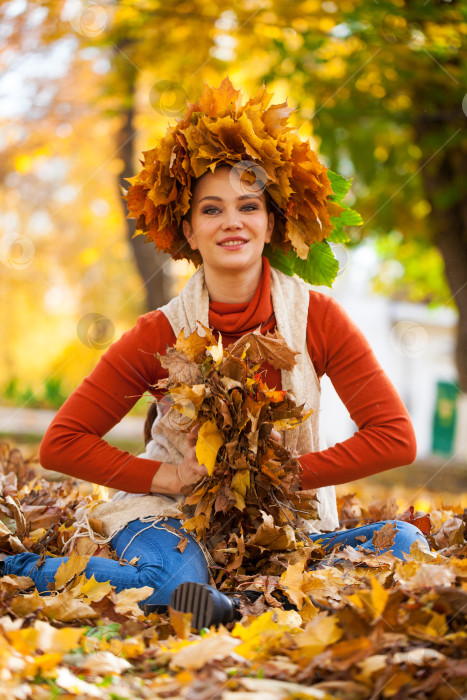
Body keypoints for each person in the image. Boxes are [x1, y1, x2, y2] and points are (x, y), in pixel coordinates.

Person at [1, 77, 429, 629]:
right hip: (171, 519)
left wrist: (283, 476)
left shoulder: (317, 319)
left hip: (284, 527)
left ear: (270, 222)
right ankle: (18, 567)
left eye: (248, 205)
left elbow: (395, 438)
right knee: (175, 579)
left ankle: (245, 598)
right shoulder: (159, 332)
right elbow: (62, 444)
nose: (232, 221)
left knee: (403, 541)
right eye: (212, 209)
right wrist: (168, 480)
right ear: (189, 230)